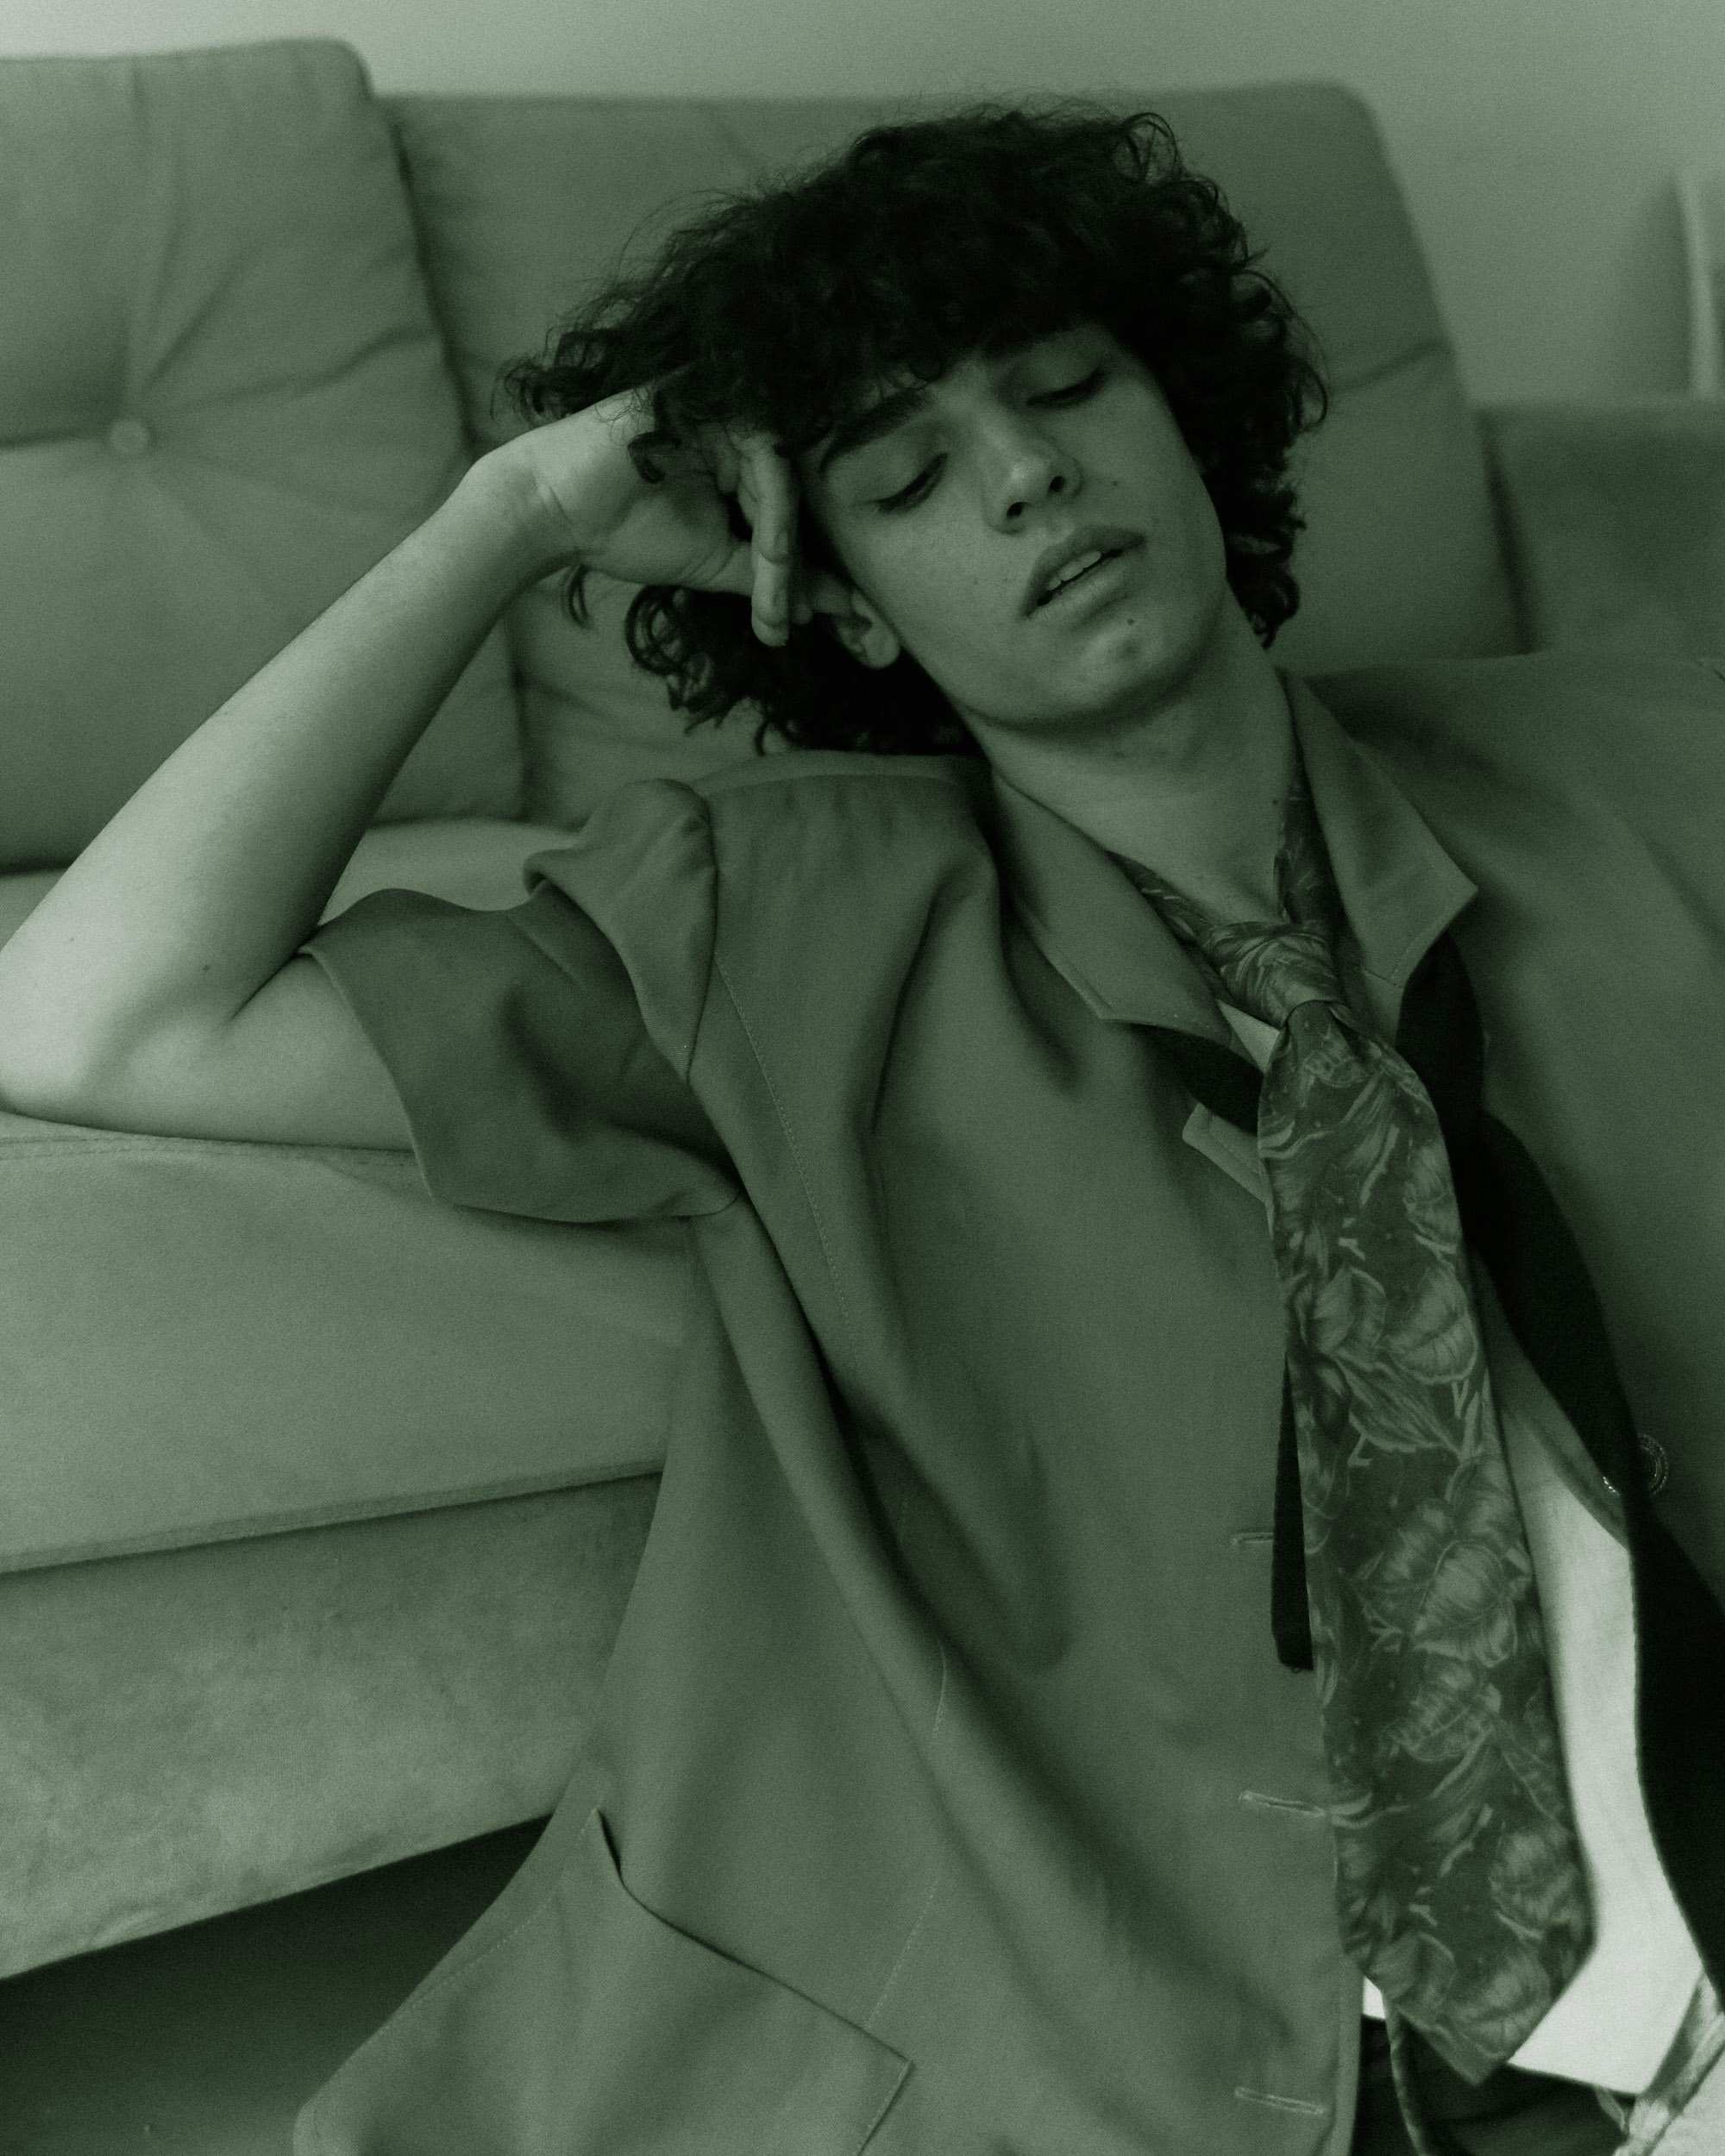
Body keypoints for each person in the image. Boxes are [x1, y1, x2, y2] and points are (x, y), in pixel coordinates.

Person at [1, 101, 1721, 2156]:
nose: (1025, 474)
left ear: (1190, 427)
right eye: (903, 477)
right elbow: (96, 1013)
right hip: (1186, 2067)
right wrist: (512, 513)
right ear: (846, 604)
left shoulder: (1636, 762)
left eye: (1068, 388)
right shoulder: (779, 922)